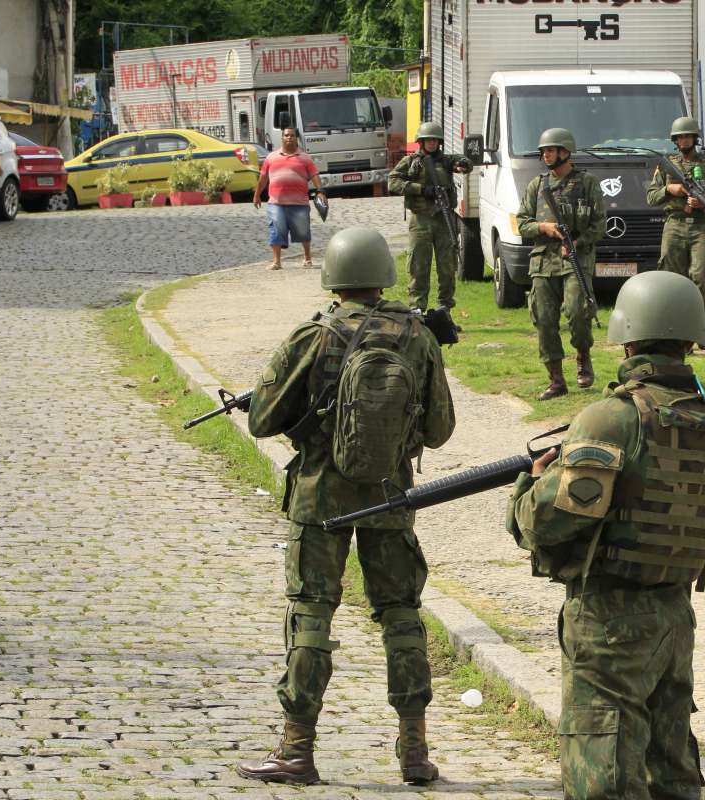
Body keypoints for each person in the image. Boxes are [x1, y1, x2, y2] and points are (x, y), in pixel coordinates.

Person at [507, 270, 705, 799]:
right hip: (675, 617)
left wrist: (527, 488)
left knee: (603, 775)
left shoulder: (612, 419)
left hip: (609, 620)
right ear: (690, 341)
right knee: (671, 773)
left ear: (628, 338)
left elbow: (548, 522)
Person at [236, 227, 455, 786]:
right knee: (401, 615)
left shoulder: (314, 335)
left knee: (311, 614)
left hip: (319, 498)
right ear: (383, 274)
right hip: (390, 495)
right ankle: (414, 751)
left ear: (334, 278)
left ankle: (297, 750)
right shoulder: (417, 337)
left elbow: (262, 419)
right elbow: (439, 429)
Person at [516, 128, 606, 400]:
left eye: (551, 150)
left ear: (565, 152)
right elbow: (521, 222)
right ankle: (556, 380)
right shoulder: (537, 185)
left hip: (575, 259)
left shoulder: (587, 183)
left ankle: (583, 354)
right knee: (543, 320)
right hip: (543, 262)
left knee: (578, 312)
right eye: (544, 151)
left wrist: (577, 242)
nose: (545, 155)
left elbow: (600, 224)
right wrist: (543, 227)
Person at [645, 117, 705, 317]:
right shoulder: (667, 165)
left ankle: (701, 325)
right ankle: (675, 329)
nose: (684, 140)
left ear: (695, 138)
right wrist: (669, 189)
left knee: (702, 275)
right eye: (680, 137)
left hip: (701, 227)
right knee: (671, 278)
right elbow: (651, 197)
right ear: (675, 140)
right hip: (674, 225)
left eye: (688, 136)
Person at [387, 121, 471, 310]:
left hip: (444, 219)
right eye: (428, 140)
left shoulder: (446, 161)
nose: (432, 143)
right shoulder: (411, 161)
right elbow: (392, 182)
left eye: (435, 140)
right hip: (421, 220)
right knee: (419, 266)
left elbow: (463, 163)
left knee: (447, 267)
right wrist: (421, 190)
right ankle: (417, 309)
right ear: (421, 141)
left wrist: (463, 164)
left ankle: (445, 310)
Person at [253, 127, 323, 270]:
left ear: (296, 138)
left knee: (303, 231)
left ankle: (308, 258)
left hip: (299, 203)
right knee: (276, 230)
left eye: (292, 135)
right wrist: (257, 194)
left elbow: (314, 175)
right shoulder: (271, 157)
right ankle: (277, 261)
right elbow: (263, 178)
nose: (289, 138)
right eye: (286, 135)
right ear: (282, 138)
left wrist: (320, 191)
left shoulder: (305, 158)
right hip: (276, 202)